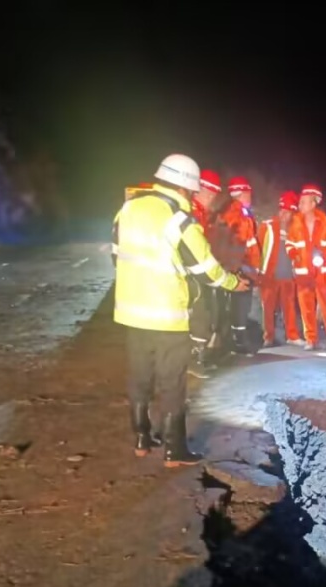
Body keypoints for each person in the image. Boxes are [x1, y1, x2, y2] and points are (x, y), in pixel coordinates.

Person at [112, 153, 248, 462]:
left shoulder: (128, 208)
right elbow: (206, 269)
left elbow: (116, 254)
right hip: (167, 315)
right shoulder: (179, 219)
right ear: (186, 188)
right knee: (171, 381)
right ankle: (175, 449)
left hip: (131, 311)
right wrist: (232, 284)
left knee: (139, 375)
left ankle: (142, 439)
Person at [285, 183, 326, 350]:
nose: (300, 205)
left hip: (321, 273)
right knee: (306, 308)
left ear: (313, 203)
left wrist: (324, 252)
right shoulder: (296, 222)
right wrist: (294, 254)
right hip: (303, 273)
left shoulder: (325, 222)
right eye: (300, 202)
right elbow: (289, 244)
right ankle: (311, 340)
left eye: (303, 201)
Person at [217, 176, 261, 354]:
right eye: (248, 193)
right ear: (242, 193)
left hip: (232, 267)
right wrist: (251, 271)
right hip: (242, 267)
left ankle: (230, 339)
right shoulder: (241, 216)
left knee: (232, 305)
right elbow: (245, 246)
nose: (250, 197)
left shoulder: (226, 211)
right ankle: (238, 342)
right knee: (241, 304)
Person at [187, 168, 223, 377]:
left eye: (213, 196)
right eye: (208, 194)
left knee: (206, 314)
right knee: (200, 315)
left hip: (200, 271)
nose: (211, 200)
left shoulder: (202, 213)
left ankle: (197, 357)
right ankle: (193, 359)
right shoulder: (191, 212)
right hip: (194, 273)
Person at [257, 191, 302, 347]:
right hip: (270, 275)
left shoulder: (296, 230)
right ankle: (268, 337)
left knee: (289, 307)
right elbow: (257, 249)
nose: (284, 214)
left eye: (288, 212)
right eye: (282, 210)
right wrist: (257, 271)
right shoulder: (267, 226)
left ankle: (292, 336)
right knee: (268, 308)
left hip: (288, 276)